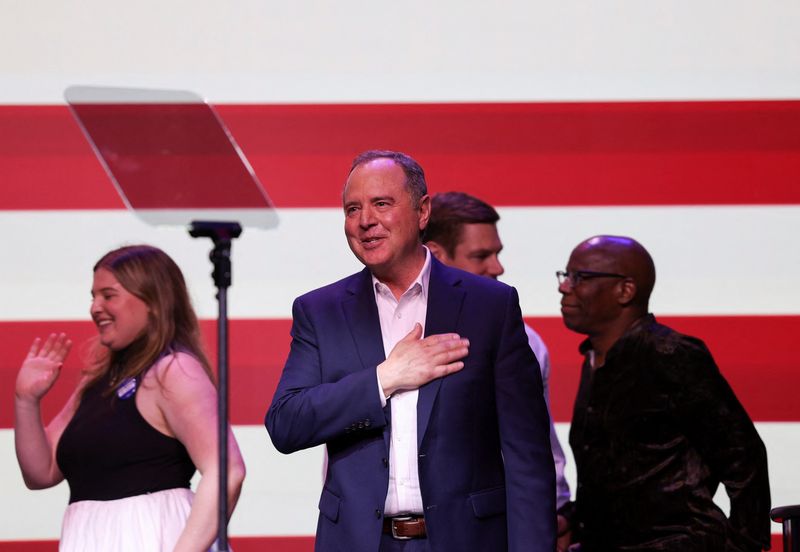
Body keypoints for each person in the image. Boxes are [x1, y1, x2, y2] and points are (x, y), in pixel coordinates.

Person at [266, 150, 555, 551]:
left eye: (381, 204)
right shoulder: (320, 311)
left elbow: (527, 459)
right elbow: (286, 424)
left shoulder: (490, 306)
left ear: (422, 212)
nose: (365, 220)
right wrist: (384, 379)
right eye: (353, 209)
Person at [14, 245, 246, 552]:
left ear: (152, 301)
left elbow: (226, 470)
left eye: (109, 295)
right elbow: (40, 473)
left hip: (154, 536)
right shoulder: (96, 380)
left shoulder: (173, 370)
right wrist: (25, 401)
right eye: (93, 297)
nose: (95, 307)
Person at [556, 235, 770, 551]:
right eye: (566, 275)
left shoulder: (671, 355)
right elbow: (625, 481)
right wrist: (572, 520)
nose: (564, 286)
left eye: (580, 277)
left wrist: (744, 546)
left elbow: (744, 458)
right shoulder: (594, 359)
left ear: (625, 290)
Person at [422, 190, 571, 546]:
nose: (498, 267)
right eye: (481, 256)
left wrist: (557, 514)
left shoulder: (525, 341)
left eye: (497, 253)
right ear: (437, 257)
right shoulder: (378, 329)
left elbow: (536, 448)